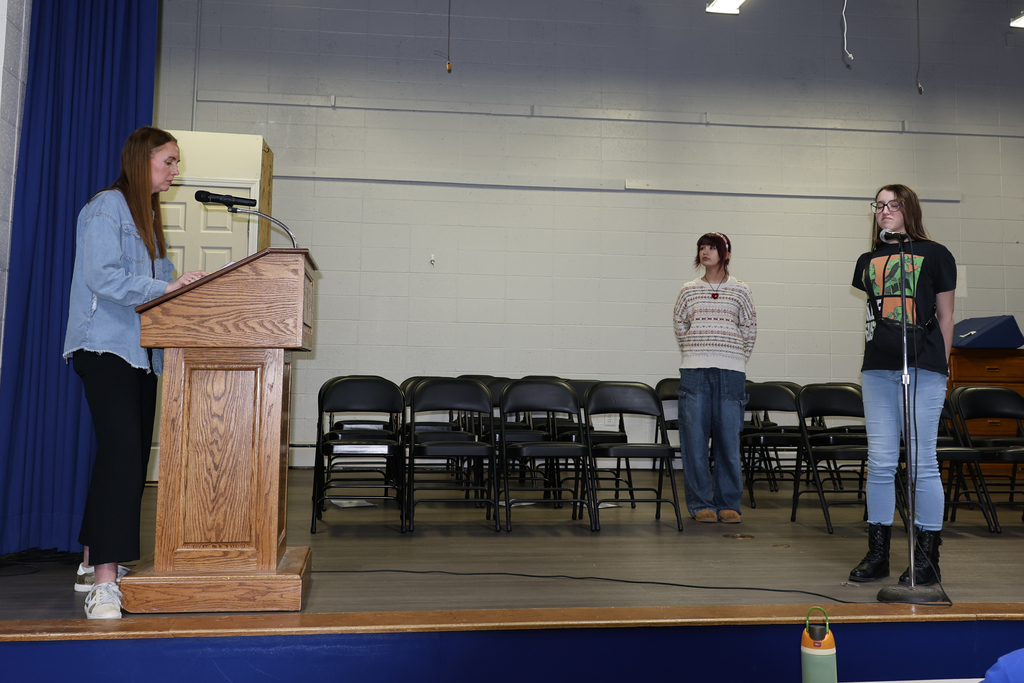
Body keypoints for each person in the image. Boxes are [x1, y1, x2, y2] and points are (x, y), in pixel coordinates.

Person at [62, 126, 207, 619]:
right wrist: (166, 288)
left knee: (123, 457)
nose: (175, 171)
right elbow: (102, 276)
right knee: (122, 459)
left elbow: (159, 283)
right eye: (169, 161)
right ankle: (106, 582)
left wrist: (186, 285)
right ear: (143, 159)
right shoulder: (108, 206)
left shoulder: (146, 217)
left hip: (140, 354)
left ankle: (90, 563)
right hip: (106, 348)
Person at [848, 184, 956, 585]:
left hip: (923, 367)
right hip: (878, 367)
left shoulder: (936, 254)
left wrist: (941, 365)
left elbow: (946, 316)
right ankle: (878, 554)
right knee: (880, 461)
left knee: (922, 462)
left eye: (893, 204)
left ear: (910, 209)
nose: (884, 210)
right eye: (879, 205)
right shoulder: (867, 260)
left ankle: (927, 558)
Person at [673, 232, 757, 523]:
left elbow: (749, 329)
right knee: (694, 441)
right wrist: (696, 351)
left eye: (712, 247)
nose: (705, 251)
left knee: (728, 442)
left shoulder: (741, 290)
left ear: (726, 253)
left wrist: (732, 357)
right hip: (694, 372)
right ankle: (700, 504)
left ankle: (728, 503)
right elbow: (680, 325)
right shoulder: (688, 290)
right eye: (701, 247)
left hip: (731, 373)